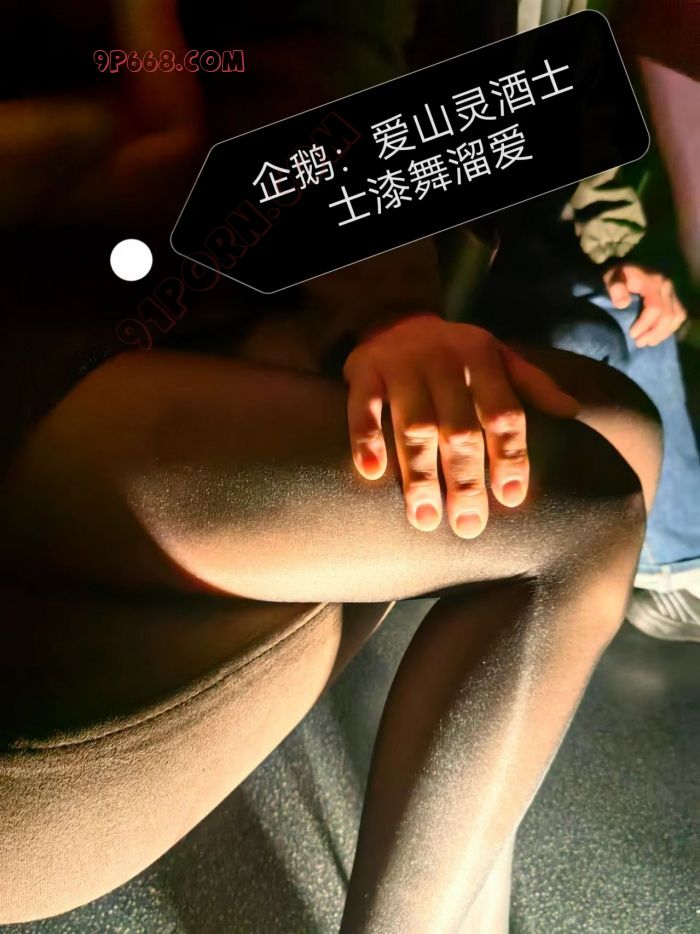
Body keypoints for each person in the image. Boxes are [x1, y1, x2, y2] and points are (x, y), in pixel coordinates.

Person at [0, 1, 662, 929]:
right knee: (573, 508)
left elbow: (189, 124)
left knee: (619, 427)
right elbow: (165, 130)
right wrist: (384, 307)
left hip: (199, 284)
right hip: (51, 342)